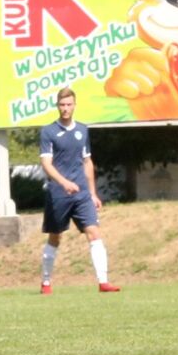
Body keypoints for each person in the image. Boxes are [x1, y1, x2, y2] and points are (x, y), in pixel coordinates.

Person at [39, 87, 119, 294]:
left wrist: (92, 193)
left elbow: (87, 161)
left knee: (94, 232)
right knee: (55, 237)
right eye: (62, 105)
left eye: (69, 105)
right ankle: (46, 282)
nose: (65, 109)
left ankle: (103, 282)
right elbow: (47, 164)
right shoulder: (48, 132)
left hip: (82, 193)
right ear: (57, 106)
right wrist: (64, 183)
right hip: (59, 193)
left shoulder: (82, 130)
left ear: (75, 105)